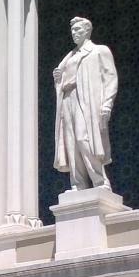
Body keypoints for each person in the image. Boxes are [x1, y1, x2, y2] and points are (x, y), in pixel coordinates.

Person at [53, 17, 118, 191]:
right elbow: (65, 79)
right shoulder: (70, 56)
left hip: (86, 100)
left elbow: (110, 78)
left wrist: (107, 104)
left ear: (87, 31)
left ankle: (100, 180)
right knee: (71, 142)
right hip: (67, 98)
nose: (74, 34)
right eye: (73, 31)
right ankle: (78, 184)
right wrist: (59, 79)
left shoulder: (98, 51)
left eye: (78, 30)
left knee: (84, 137)